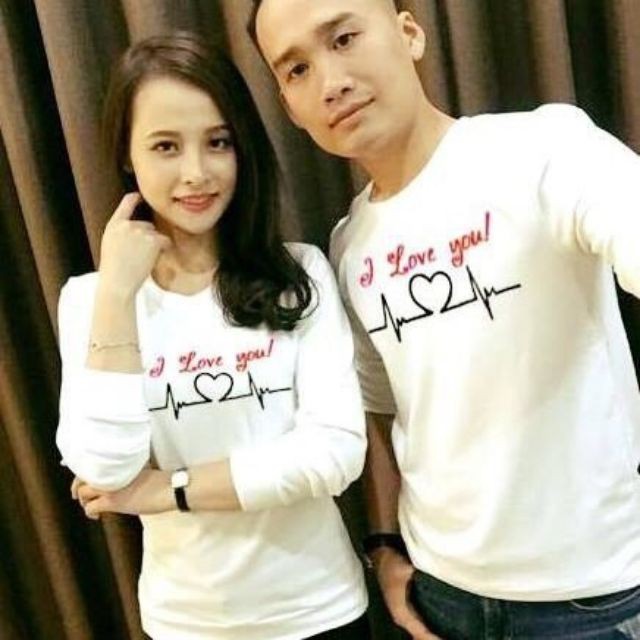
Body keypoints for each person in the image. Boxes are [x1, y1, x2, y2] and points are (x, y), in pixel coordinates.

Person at [249, 1, 640, 638]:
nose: (330, 82)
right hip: (441, 596)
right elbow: (380, 410)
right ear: (288, 105)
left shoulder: (545, 149)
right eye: (296, 70)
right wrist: (384, 547)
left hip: (590, 597)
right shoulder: (349, 246)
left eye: (344, 38)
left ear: (409, 34)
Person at [56, 32, 371, 640]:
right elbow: (104, 466)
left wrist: (163, 491)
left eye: (218, 142)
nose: (196, 173)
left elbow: (334, 455)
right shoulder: (91, 300)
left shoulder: (299, 274)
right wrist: (117, 296)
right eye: (165, 146)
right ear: (128, 156)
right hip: (187, 622)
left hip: (319, 609)